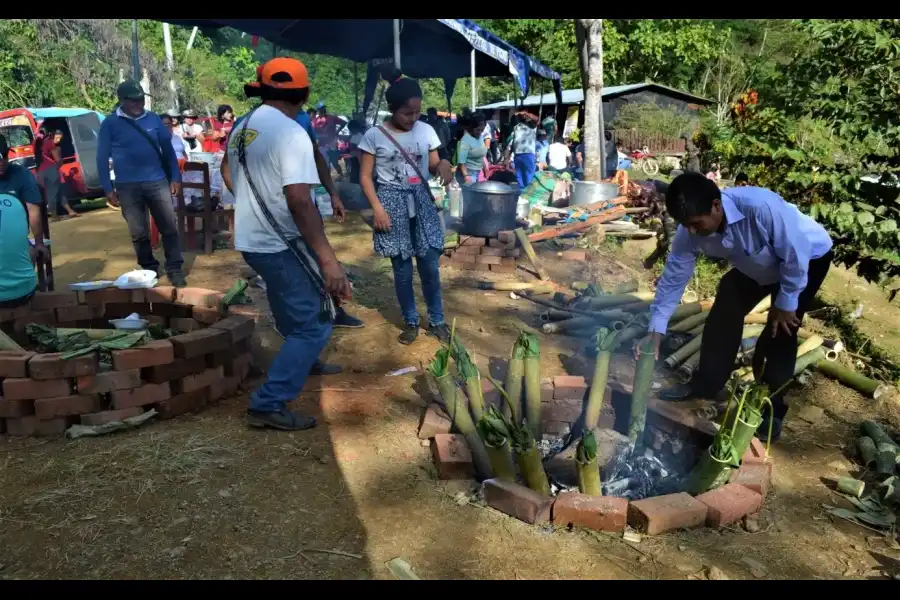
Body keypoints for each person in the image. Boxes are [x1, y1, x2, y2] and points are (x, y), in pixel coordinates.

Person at [637, 173, 833, 443]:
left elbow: (794, 253)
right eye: (686, 225)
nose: (691, 231)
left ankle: (771, 409)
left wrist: (786, 302)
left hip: (806, 259)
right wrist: (656, 330)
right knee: (725, 306)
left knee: (780, 331)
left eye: (696, 224)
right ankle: (707, 384)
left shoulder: (760, 207)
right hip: (757, 265)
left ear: (716, 206)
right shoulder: (688, 231)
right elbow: (673, 280)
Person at [225, 57, 352, 432]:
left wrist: (253, 204)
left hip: (252, 239)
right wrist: (329, 261)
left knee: (290, 306)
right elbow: (299, 201)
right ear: (304, 93)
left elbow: (226, 173)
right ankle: (268, 403)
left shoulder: (242, 126)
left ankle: (305, 361)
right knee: (314, 325)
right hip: (279, 242)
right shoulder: (292, 132)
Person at [357, 69, 453, 345]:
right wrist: (377, 208)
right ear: (392, 109)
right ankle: (410, 320)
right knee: (401, 269)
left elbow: (434, 164)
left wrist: (443, 165)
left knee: (429, 265)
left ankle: (437, 320)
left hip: (421, 201)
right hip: (390, 202)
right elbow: (365, 176)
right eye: (406, 113)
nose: (413, 118)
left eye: (416, 112)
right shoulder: (374, 136)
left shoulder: (426, 130)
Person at [97, 80, 186, 287]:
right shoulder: (110, 124)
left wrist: (175, 177)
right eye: (133, 100)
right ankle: (149, 269)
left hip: (157, 182)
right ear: (121, 101)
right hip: (127, 187)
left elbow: (168, 151)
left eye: (141, 99)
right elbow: (101, 158)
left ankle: (174, 268)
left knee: (169, 228)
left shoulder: (154, 119)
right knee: (138, 232)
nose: (138, 103)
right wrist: (107, 188)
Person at [0, 135, 48, 308]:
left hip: (18, 239)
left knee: (29, 252)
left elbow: (33, 210)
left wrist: (39, 242)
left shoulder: (21, 175)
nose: (2, 161)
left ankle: (23, 297)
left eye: (4, 155)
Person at [34, 127, 79, 220]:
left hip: (41, 171)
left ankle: (70, 211)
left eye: (60, 138)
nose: (58, 140)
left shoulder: (39, 143)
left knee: (60, 191)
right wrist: (59, 164)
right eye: (57, 138)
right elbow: (58, 160)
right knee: (53, 193)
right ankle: (54, 215)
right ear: (51, 135)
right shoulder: (50, 143)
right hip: (51, 171)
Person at [313, 103, 347, 178]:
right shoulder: (315, 120)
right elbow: (313, 131)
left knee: (334, 160)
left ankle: (341, 175)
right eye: (321, 109)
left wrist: (337, 131)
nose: (322, 110)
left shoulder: (332, 118)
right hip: (321, 144)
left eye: (323, 108)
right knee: (324, 161)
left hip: (332, 143)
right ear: (318, 110)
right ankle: (326, 178)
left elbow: (344, 123)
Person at [506, 112, 538, 188]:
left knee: (528, 179)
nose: (523, 116)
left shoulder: (532, 126)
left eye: (525, 115)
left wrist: (525, 112)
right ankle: (521, 196)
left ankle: (528, 196)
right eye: (521, 116)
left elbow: (537, 119)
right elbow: (514, 143)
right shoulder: (516, 127)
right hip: (518, 155)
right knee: (520, 179)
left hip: (528, 154)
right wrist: (507, 159)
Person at [455, 115, 488, 185]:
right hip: (468, 173)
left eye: (482, 130)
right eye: (477, 130)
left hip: (478, 172)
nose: (480, 132)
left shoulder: (480, 137)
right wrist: (466, 176)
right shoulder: (466, 140)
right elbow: (461, 161)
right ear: (472, 127)